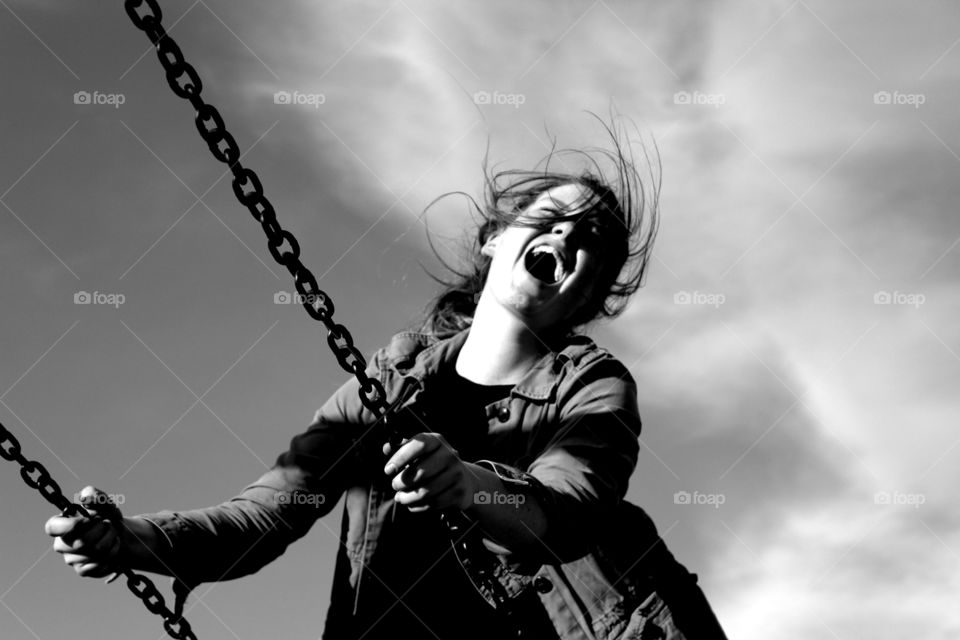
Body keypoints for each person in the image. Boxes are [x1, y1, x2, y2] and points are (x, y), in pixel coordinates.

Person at [45, 120, 726, 639]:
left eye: (594, 248)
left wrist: (469, 484)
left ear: (590, 297)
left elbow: (566, 509)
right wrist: (131, 539)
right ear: (496, 237)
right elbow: (272, 513)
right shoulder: (391, 379)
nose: (570, 239)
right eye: (554, 219)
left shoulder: (592, 386)